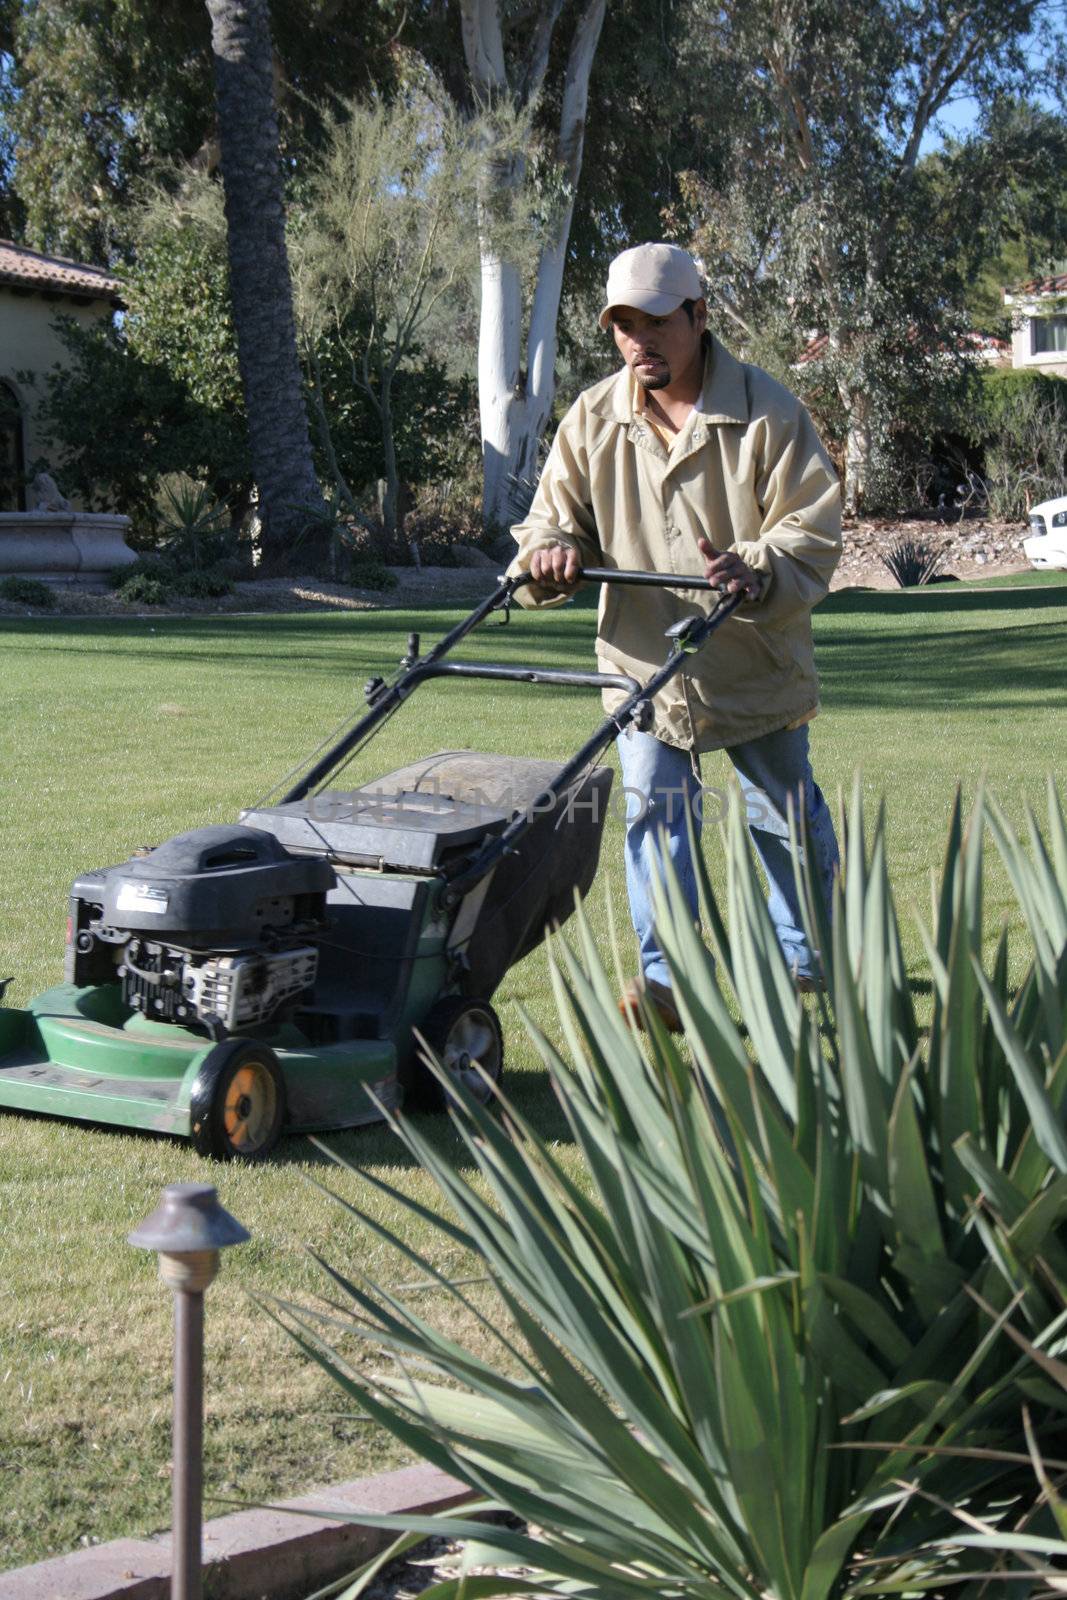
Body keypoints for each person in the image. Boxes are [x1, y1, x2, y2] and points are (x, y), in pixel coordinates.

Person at [507, 242, 842, 1031]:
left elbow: (811, 526)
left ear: (698, 315)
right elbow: (551, 521)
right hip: (640, 665)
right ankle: (667, 987)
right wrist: (548, 556)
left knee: (779, 815)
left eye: (655, 320)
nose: (637, 340)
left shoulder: (767, 410)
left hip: (750, 656)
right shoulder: (592, 418)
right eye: (622, 324)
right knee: (653, 818)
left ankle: (813, 967)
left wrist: (754, 566)